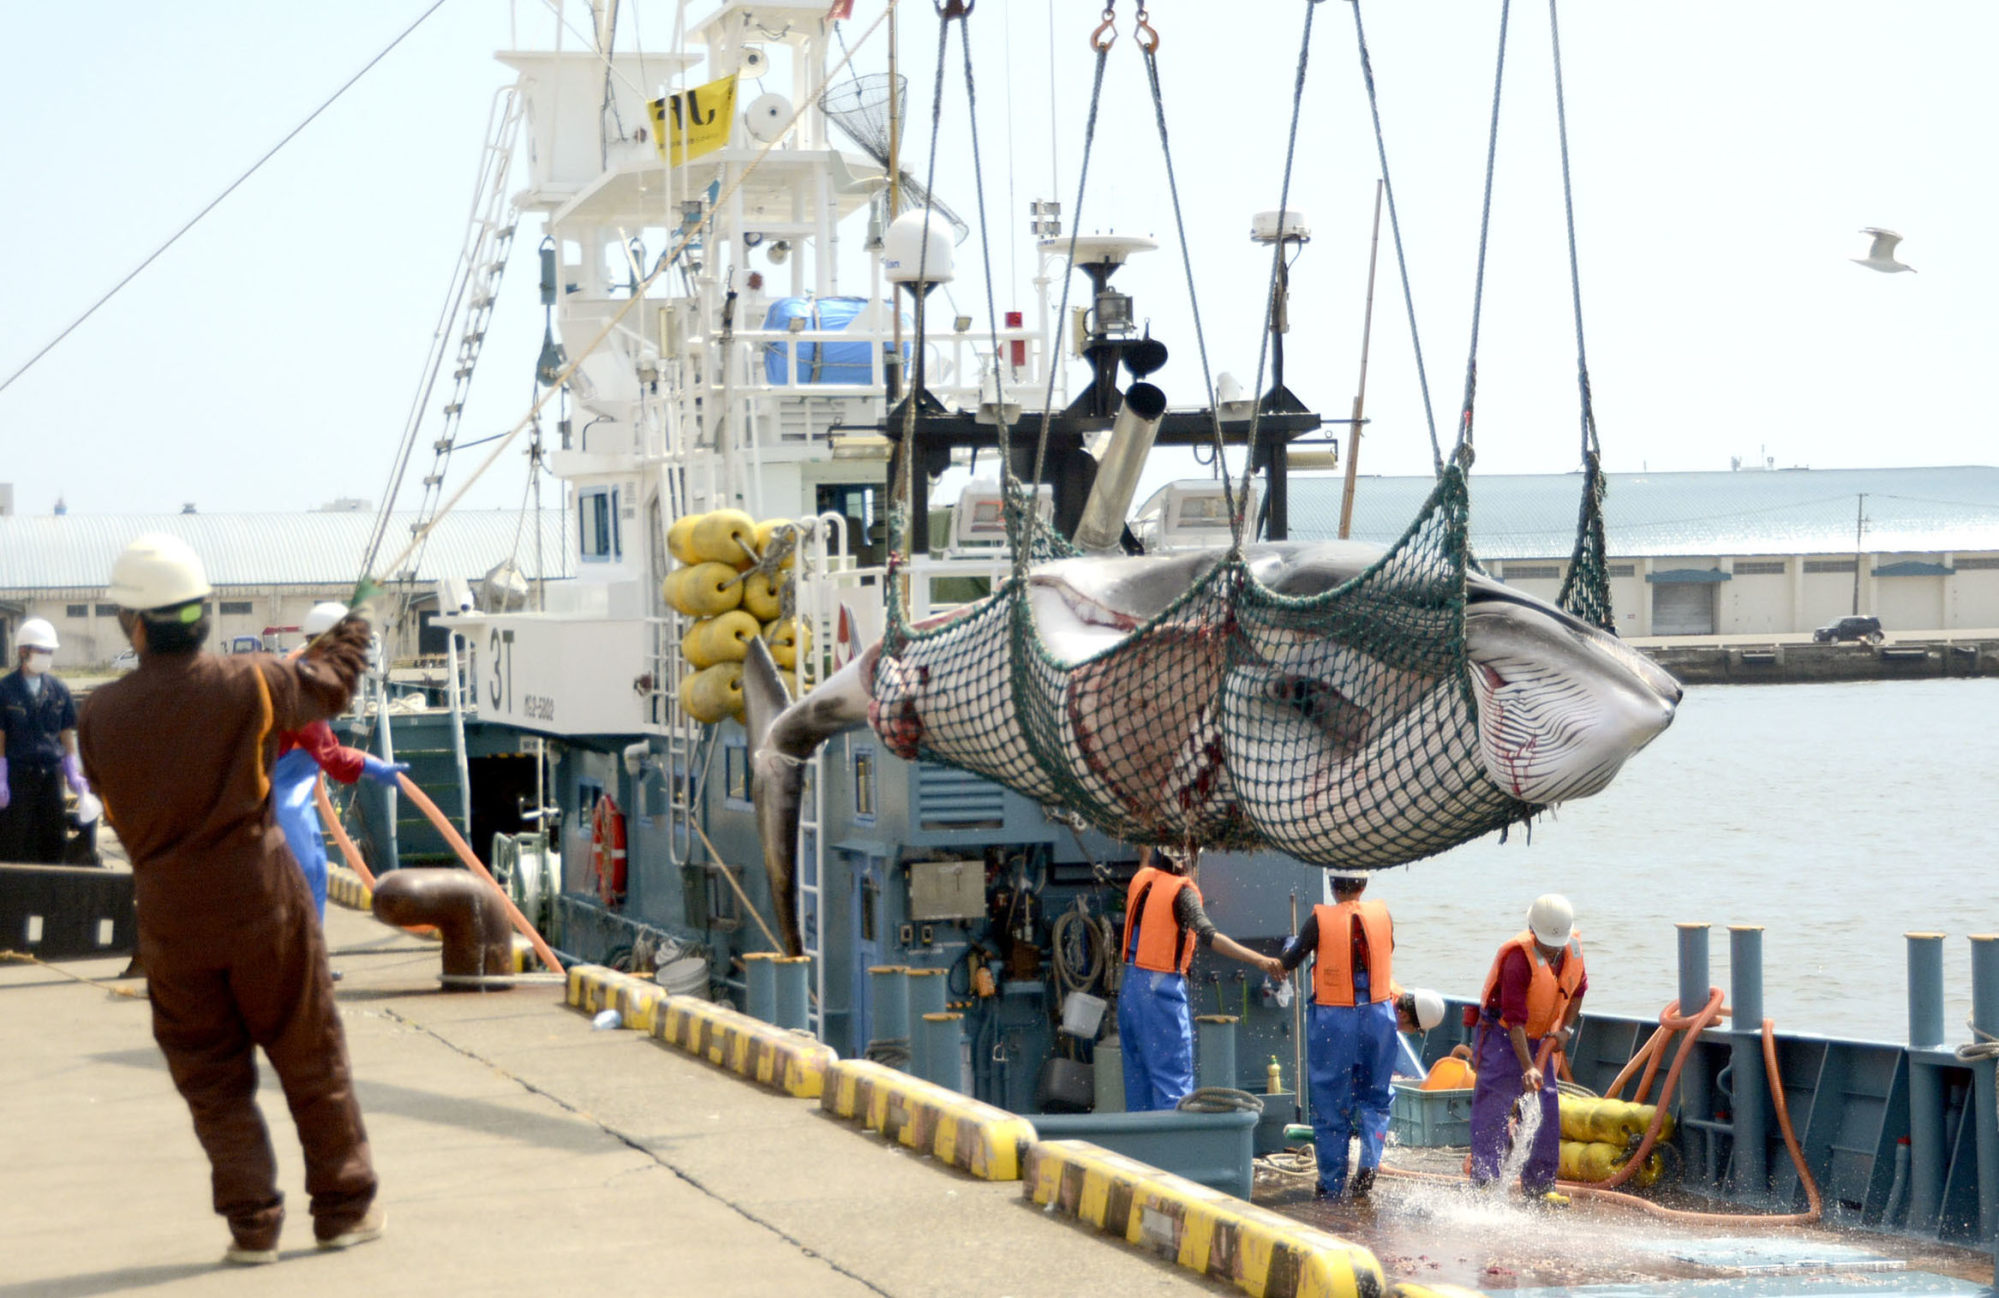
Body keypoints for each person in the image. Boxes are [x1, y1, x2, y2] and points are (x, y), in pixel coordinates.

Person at [78, 534, 385, 1265]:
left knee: (211, 1080)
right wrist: (352, 633)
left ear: (135, 625)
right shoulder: (249, 681)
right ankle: (342, 1210)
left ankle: (252, 1228)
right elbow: (329, 684)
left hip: (172, 921)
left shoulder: (98, 715)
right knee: (310, 1057)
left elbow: (113, 805)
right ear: (205, 614)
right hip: (262, 903)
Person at [1279, 869, 1443, 1200]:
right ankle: (1369, 1163)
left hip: (1335, 1018)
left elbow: (1290, 961)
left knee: (1330, 1104)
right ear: (1364, 884)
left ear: (1332, 885)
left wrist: (1282, 957)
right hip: (1380, 1016)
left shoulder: (1318, 922)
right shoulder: (1383, 916)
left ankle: (1331, 1184)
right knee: (1375, 1098)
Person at [1117, 845, 1286, 1112]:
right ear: (1190, 863)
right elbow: (1210, 936)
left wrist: (1145, 856)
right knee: (1172, 1084)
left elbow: (1144, 882)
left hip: (1130, 987)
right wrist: (1260, 960)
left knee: (1138, 1081)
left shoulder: (1142, 878)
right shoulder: (1182, 893)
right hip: (1160, 991)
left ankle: (1143, 1149)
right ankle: (1173, 1152)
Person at [271, 602, 405, 923]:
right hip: (280, 801)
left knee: (296, 877)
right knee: (307, 874)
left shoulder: (295, 672)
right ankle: (305, 964)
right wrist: (372, 768)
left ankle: (296, 962)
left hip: (268, 794)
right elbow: (330, 756)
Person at [1468, 892, 1588, 1201]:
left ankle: (1541, 1186)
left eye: (1555, 944)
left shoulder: (1571, 947)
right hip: (1504, 1036)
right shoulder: (1518, 960)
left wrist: (1566, 1030)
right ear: (1533, 932)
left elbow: (1578, 991)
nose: (1552, 950)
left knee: (1546, 1105)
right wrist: (1528, 1066)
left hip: (1542, 1039)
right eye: (1547, 944)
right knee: (1493, 1106)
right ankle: (1485, 1183)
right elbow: (1516, 1019)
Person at [0, 618, 90, 863]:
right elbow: (1, 736)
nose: (46, 656)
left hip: (51, 776)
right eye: (41, 651)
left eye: (49, 651)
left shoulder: (58, 689)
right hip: (18, 777)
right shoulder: (5, 689)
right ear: (23, 651)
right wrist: (1, 776)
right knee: (14, 840)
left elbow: (65, 733)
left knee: (53, 839)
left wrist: (73, 772)